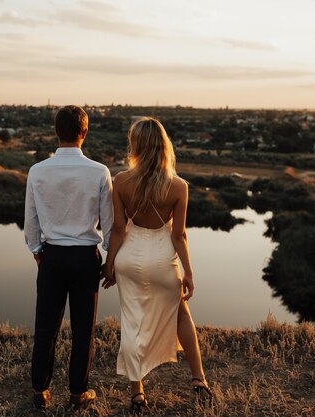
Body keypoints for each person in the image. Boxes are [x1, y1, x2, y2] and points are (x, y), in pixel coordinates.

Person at [101, 117, 213, 412]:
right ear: (164, 146)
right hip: (163, 260)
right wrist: (188, 272)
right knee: (181, 315)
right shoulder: (178, 187)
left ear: (135, 145)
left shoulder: (121, 180)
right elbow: (179, 234)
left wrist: (109, 264)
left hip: (129, 258)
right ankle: (198, 379)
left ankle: (138, 392)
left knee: (132, 321)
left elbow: (117, 229)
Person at [24, 105, 113, 410]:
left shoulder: (37, 171)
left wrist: (38, 253)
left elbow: (31, 220)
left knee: (45, 326)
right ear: (84, 133)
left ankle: (40, 390)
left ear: (55, 132)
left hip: (52, 257)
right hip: (85, 258)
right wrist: (110, 260)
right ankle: (78, 393)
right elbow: (109, 223)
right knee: (83, 330)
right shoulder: (99, 171)